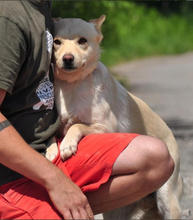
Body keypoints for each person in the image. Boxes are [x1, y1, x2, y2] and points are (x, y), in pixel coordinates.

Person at [0, 1, 174, 219]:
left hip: (47, 154)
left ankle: (55, 205)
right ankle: (36, 207)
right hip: (15, 175)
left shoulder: (42, 9)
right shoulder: (9, 17)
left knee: (155, 157)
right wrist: (55, 181)